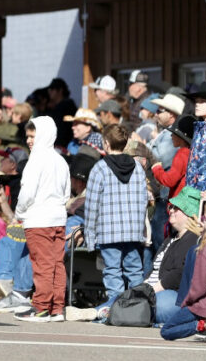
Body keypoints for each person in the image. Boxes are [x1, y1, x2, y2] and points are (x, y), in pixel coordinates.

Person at [84, 123, 149, 320]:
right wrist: (140, 230)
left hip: (108, 231)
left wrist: (89, 236)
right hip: (132, 231)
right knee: (134, 270)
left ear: (105, 142)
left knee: (112, 272)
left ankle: (116, 310)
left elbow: (92, 205)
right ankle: (140, 309)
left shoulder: (100, 168)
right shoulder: (137, 167)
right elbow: (143, 200)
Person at [13, 116, 71, 322]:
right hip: (58, 218)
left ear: (43, 135)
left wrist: (19, 213)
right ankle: (57, 308)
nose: (29, 140)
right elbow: (66, 194)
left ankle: (40, 308)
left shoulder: (35, 160)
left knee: (42, 265)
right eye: (28, 136)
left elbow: (27, 193)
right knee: (57, 264)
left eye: (32, 135)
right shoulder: (61, 160)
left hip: (38, 219)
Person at [160, 200, 206, 342]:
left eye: (205, 219)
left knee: (166, 331)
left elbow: (199, 286)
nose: (201, 221)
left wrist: (187, 301)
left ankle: (203, 326)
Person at [146, 186, 202, 324]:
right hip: (154, 290)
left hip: (173, 295)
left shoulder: (192, 240)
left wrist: (148, 291)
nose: (170, 210)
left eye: (176, 208)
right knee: (127, 296)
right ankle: (100, 311)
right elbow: (154, 270)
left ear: (189, 213)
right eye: (171, 207)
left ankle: (111, 311)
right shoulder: (171, 238)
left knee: (155, 305)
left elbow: (178, 274)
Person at [153, 115, 197, 198]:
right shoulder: (191, 152)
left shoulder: (182, 153)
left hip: (178, 201)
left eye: (174, 133)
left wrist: (157, 169)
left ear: (181, 137)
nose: (171, 136)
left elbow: (169, 180)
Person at [150, 93, 186, 167]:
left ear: (171, 114)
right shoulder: (166, 130)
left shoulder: (173, 134)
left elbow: (162, 161)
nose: (156, 114)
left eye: (159, 111)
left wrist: (154, 140)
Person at [44, 78, 77, 148]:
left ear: (60, 90)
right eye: (49, 89)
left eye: (52, 89)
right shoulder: (58, 107)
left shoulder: (66, 106)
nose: (49, 91)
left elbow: (63, 129)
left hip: (64, 146)